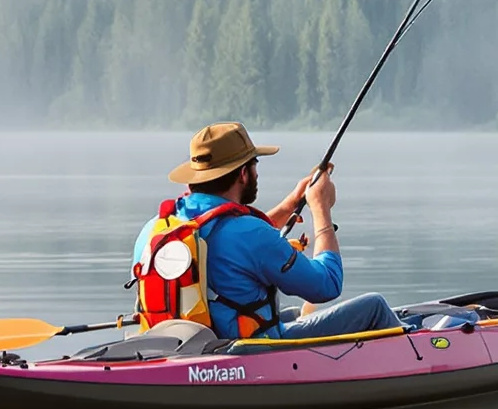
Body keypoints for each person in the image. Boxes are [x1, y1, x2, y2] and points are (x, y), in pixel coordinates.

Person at [134, 122, 400, 344]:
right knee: (374, 307)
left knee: (291, 313)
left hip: (181, 348)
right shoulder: (251, 234)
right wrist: (321, 209)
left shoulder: (155, 229)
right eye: (255, 164)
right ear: (243, 174)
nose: (256, 172)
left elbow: (226, 241)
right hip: (248, 354)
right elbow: (326, 285)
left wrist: (289, 205)